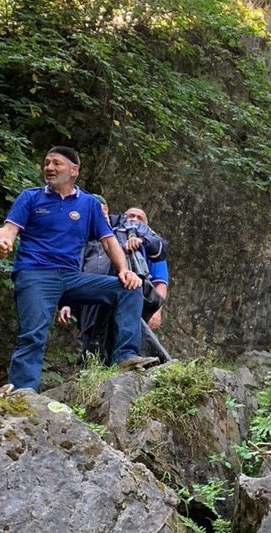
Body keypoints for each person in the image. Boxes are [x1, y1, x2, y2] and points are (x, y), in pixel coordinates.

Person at [0, 147, 157, 393]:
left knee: (129, 288)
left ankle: (125, 357)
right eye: (47, 162)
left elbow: (108, 241)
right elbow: (9, 229)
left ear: (74, 170)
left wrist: (124, 270)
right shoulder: (30, 197)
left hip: (72, 277)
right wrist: (5, 241)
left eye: (57, 163)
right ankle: (22, 390)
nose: (49, 167)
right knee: (33, 334)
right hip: (35, 274)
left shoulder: (89, 204)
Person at [58, 198, 169, 362]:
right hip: (91, 293)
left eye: (139, 218)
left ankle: (137, 360)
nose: (135, 219)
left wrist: (141, 240)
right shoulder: (84, 236)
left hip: (127, 286)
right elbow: (73, 268)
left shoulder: (130, 228)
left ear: (106, 209)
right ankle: (93, 374)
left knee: (129, 327)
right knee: (91, 337)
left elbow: (160, 252)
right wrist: (66, 302)